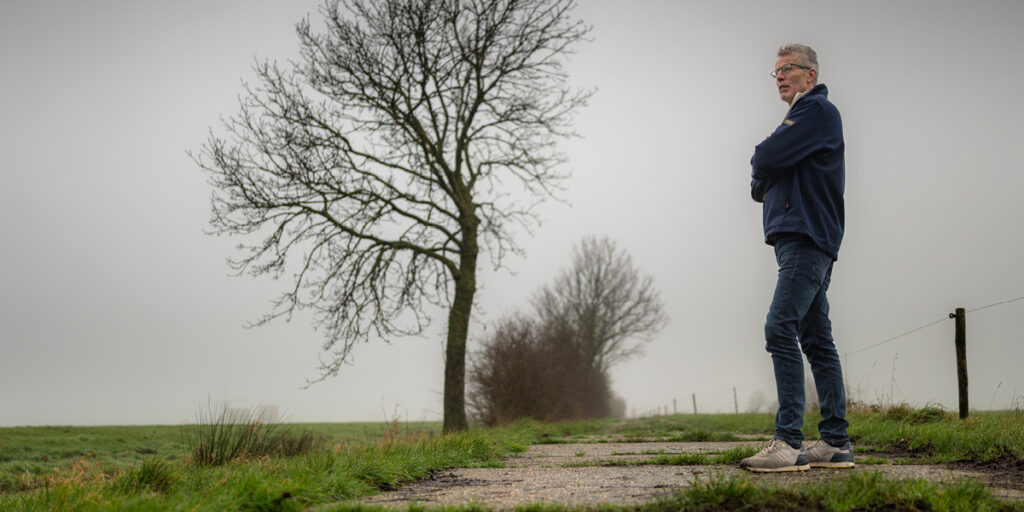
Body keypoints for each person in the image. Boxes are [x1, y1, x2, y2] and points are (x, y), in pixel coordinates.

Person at [740, 43, 854, 473]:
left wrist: (770, 154)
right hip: (799, 237)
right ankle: (836, 442)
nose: (781, 76)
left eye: (789, 69)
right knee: (816, 339)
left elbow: (763, 158)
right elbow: (758, 185)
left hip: (807, 237)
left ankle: (788, 441)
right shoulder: (797, 120)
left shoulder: (816, 112)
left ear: (811, 74)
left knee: (779, 326)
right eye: (776, 72)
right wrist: (772, 159)